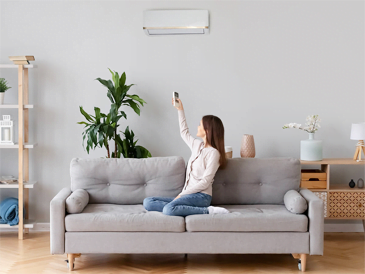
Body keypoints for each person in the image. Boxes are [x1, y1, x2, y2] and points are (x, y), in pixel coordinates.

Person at [143, 97, 230, 216]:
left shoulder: (213, 153)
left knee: (168, 210)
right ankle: (180, 207)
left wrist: (182, 195)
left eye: (200, 125)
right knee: (148, 202)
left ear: (207, 130)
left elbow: (205, 182)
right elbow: (184, 132)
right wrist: (180, 110)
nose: (198, 127)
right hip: (187, 195)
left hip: (201, 196)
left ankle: (209, 211)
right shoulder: (197, 145)